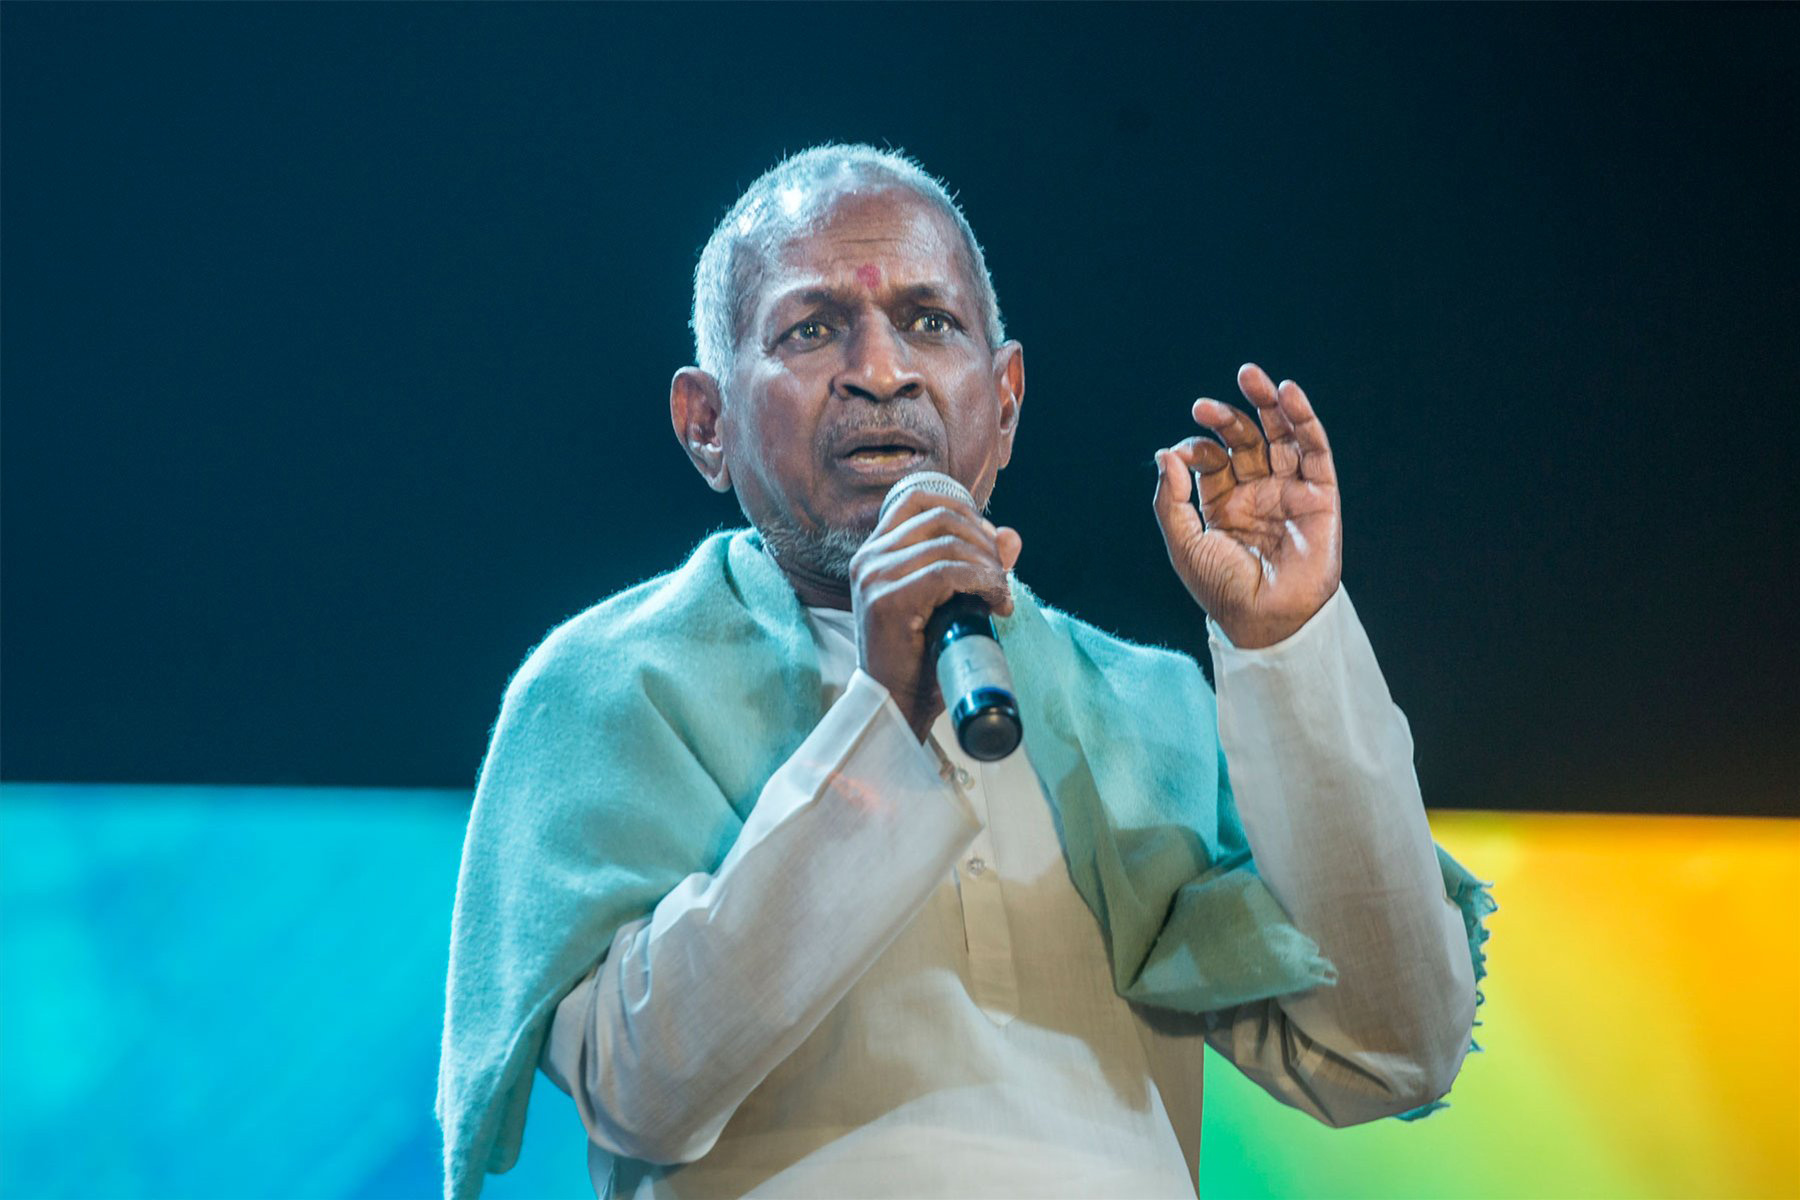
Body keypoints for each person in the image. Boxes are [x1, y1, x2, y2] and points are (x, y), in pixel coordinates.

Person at [436, 144, 1493, 1200]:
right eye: (812, 329)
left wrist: (1288, 648)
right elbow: (642, 1088)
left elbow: (1391, 1048)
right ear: (704, 424)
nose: (882, 370)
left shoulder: (1144, 708)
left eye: (930, 323)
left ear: (1007, 400)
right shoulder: (607, 688)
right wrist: (888, 715)